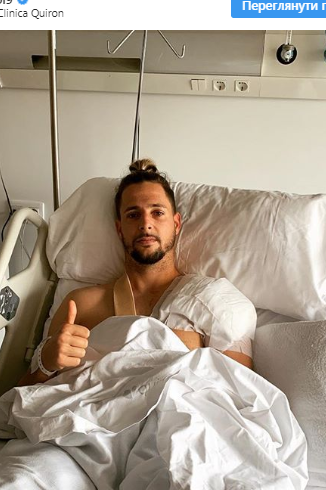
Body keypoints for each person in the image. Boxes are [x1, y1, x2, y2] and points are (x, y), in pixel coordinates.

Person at [19, 159, 253, 387]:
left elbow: (243, 395)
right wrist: (46, 365)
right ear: (119, 228)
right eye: (133, 215)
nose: (145, 224)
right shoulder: (80, 304)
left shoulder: (211, 301)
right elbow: (23, 396)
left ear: (176, 224)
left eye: (157, 212)